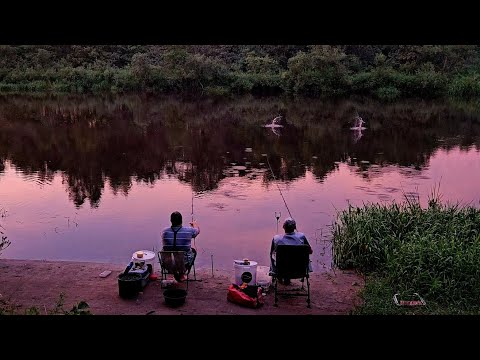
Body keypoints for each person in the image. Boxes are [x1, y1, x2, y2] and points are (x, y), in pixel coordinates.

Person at [269, 217, 313, 285]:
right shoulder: (301, 236)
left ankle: (279, 277)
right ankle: (287, 278)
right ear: (295, 227)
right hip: (300, 270)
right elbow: (310, 251)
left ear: (283, 227)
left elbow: (271, 253)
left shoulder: (276, 238)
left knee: (273, 255)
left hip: (282, 270)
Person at [161, 211, 200, 281]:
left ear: (171, 221)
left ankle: (172, 274)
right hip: (184, 264)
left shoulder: (164, 231)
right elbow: (197, 231)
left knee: (165, 249)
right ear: (181, 221)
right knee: (193, 251)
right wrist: (194, 225)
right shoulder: (189, 230)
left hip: (168, 264)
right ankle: (182, 274)